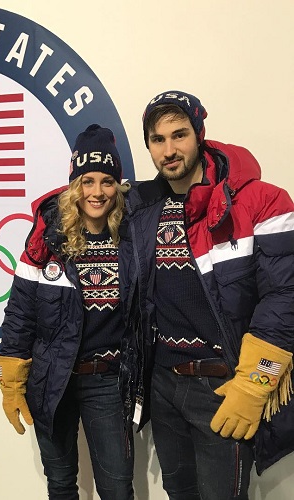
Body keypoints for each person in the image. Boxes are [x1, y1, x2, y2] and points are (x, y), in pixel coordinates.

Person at [123, 90, 294, 499]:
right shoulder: (142, 206)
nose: (169, 150)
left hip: (223, 386)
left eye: (179, 135)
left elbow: (285, 297)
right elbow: (81, 210)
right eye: (157, 140)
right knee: (178, 491)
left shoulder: (263, 201)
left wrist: (255, 383)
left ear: (200, 134)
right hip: (164, 386)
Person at [0, 124, 139, 500]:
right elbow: (20, 313)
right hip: (51, 380)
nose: (97, 192)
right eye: (88, 181)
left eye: (107, 181)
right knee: (60, 485)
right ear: (75, 183)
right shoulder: (46, 236)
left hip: (107, 382)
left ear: (118, 185)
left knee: (117, 488)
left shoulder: (131, 237)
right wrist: (11, 381)